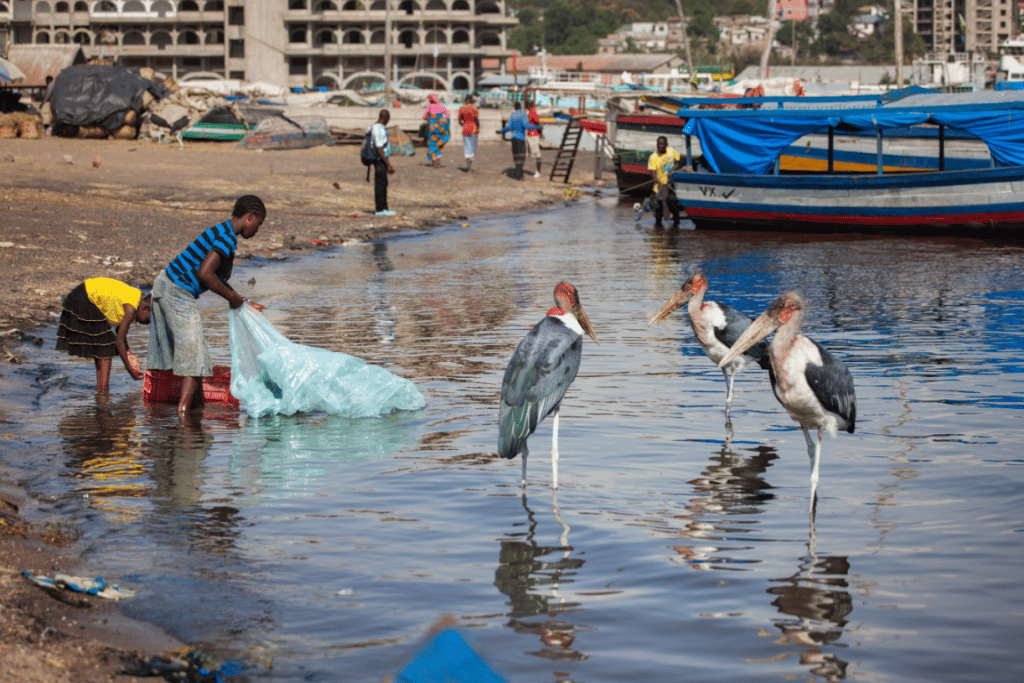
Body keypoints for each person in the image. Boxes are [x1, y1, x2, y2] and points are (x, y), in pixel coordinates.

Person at [148, 195, 267, 416]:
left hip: (166, 285)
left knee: (189, 358)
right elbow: (205, 274)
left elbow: (215, 277)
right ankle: (183, 414)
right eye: (258, 224)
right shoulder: (226, 238)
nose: (257, 230)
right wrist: (232, 299)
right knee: (195, 357)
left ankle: (193, 410)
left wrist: (239, 300)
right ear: (250, 217)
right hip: (176, 290)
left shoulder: (222, 231)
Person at [56, 277, 152, 393]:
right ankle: (103, 391)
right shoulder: (131, 309)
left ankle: (101, 390)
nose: (148, 323)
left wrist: (128, 353)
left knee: (103, 344)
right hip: (85, 299)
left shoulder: (136, 300)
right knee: (106, 347)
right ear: (145, 308)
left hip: (84, 296)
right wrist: (130, 369)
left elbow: (119, 332)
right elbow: (119, 341)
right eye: (150, 319)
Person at [647, 135, 683, 228]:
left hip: (671, 186)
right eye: (658, 144)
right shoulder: (653, 157)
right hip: (659, 188)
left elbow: (680, 158)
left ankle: (675, 227)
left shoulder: (671, 151)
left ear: (666, 145)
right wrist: (659, 183)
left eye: (662, 144)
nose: (660, 146)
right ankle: (658, 231)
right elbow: (653, 174)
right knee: (658, 213)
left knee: (673, 207)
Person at [496, 101, 538, 180]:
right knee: (521, 156)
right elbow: (526, 126)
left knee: (515, 156)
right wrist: (536, 127)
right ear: (521, 107)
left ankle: (517, 171)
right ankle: (518, 174)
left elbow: (508, 127)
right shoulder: (523, 114)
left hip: (513, 138)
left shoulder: (512, 115)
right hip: (521, 138)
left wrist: (500, 131)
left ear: (515, 107)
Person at [369, 109, 396, 216]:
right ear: (385, 118)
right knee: (380, 185)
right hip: (379, 160)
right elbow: (379, 147)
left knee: (384, 183)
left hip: (382, 159)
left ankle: (384, 208)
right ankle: (380, 209)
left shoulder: (375, 126)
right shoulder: (378, 129)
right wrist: (388, 165)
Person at [423, 94, 450, 168]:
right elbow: (447, 115)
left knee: (432, 144)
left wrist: (430, 119)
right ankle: (439, 162)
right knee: (440, 144)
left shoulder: (429, 106)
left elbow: (424, 116)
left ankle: (434, 162)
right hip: (441, 129)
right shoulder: (441, 105)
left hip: (432, 130)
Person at [457, 94, 479, 173]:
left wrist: (464, 125)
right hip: (473, 129)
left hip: (465, 129)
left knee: (467, 148)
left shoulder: (461, 108)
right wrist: (478, 128)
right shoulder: (474, 108)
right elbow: (476, 119)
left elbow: (459, 121)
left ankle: (468, 167)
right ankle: (470, 167)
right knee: (472, 148)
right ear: (471, 100)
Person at [525, 98, 544, 178]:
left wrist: (540, 134)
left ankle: (538, 172)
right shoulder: (529, 112)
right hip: (529, 134)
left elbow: (539, 125)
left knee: (536, 154)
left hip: (533, 135)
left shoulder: (533, 112)